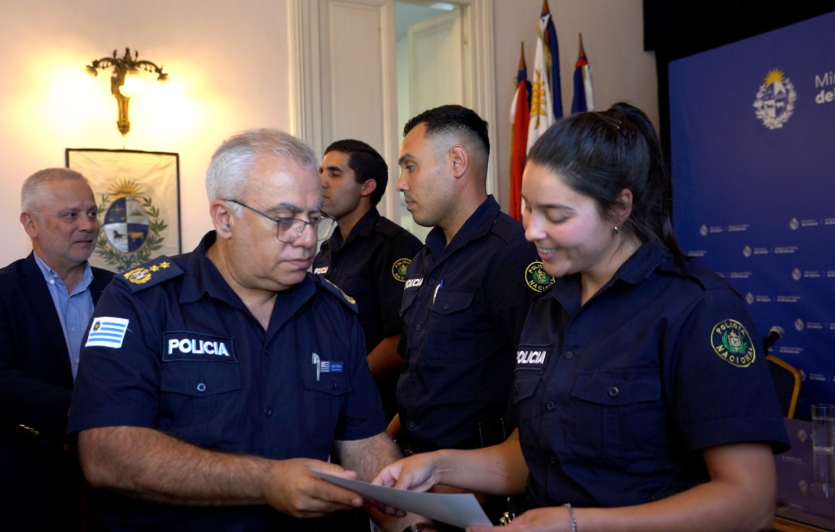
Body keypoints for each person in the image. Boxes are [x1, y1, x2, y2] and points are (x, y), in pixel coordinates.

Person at [372, 104, 791, 531]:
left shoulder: (695, 308)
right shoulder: (549, 307)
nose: (532, 230)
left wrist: (576, 525)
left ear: (618, 208)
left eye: (556, 215)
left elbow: (750, 502)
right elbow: (531, 455)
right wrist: (438, 466)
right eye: (528, 209)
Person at [68, 129, 427, 531]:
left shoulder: (333, 312)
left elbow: (363, 442)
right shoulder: (141, 303)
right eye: (285, 219)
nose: (307, 239)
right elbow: (107, 453)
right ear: (225, 218)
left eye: (314, 220)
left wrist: (407, 517)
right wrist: (266, 481)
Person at [0, 168, 115, 532]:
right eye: (71, 215)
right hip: (19, 479)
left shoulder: (119, 291)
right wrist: (86, 412)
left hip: (109, 480)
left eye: (92, 213)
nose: (88, 225)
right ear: (30, 224)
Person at [392, 105, 547, 454]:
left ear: (457, 162)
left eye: (410, 167)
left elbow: (541, 387)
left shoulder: (513, 253)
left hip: (477, 482)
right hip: (416, 468)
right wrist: (386, 443)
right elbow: (417, 374)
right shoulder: (422, 259)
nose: (401, 184)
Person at [313, 139, 422, 422]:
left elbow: (401, 340)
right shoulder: (325, 251)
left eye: (334, 174)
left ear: (366, 187)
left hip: (376, 409)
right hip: (329, 403)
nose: (321, 182)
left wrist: (344, 380)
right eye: (321, 172)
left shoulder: (395, 246)